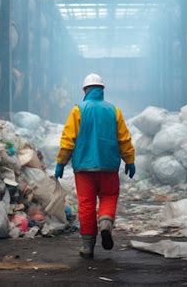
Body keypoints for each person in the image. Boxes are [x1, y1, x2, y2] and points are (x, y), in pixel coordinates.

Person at [54, 73, 136, 258]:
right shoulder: (114, 110)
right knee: (108, 196)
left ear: (85, 90)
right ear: (102, 90)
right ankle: (106, 222)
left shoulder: (78, 110)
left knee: (86, 204)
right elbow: (124, 139)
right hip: (109, 166)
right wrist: (129, 160)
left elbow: (68, 140)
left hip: (84, 169)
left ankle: (87, 246)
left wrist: (61, 162)